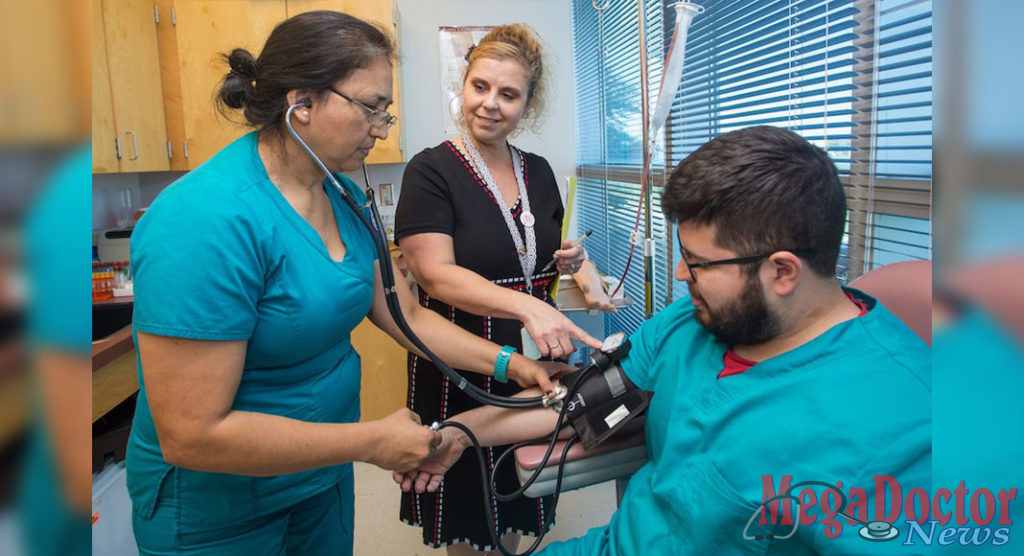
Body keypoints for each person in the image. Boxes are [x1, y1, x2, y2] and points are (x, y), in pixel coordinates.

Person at [125, 11, 560, 555]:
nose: (382, 128)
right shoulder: (202, 221)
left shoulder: (345, 197)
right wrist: (370, 441)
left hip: (319, 478)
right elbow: (192, 433)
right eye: (371, 108)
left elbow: (410, 316)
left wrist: (513, 364)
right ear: (300, 103)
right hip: (221, 507)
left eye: (387, 110)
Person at [398, 126, 932, 555]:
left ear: (783, 271)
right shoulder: (691, 324)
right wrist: (459, 434)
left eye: (697, 263)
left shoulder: (906, 433)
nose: (678, 274)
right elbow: (578, 402)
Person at [393, 24, 605, 555]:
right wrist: (526, 306)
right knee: (465, 486)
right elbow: (435, 274)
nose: (490, 104)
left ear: (527, 103)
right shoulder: (431, 170)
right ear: (462, 87)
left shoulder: (537, 171)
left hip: (539, 346)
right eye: (480, 87)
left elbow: (545, 249)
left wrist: (574, 261)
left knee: (519, 488)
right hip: (461, 348)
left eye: (508, 94)